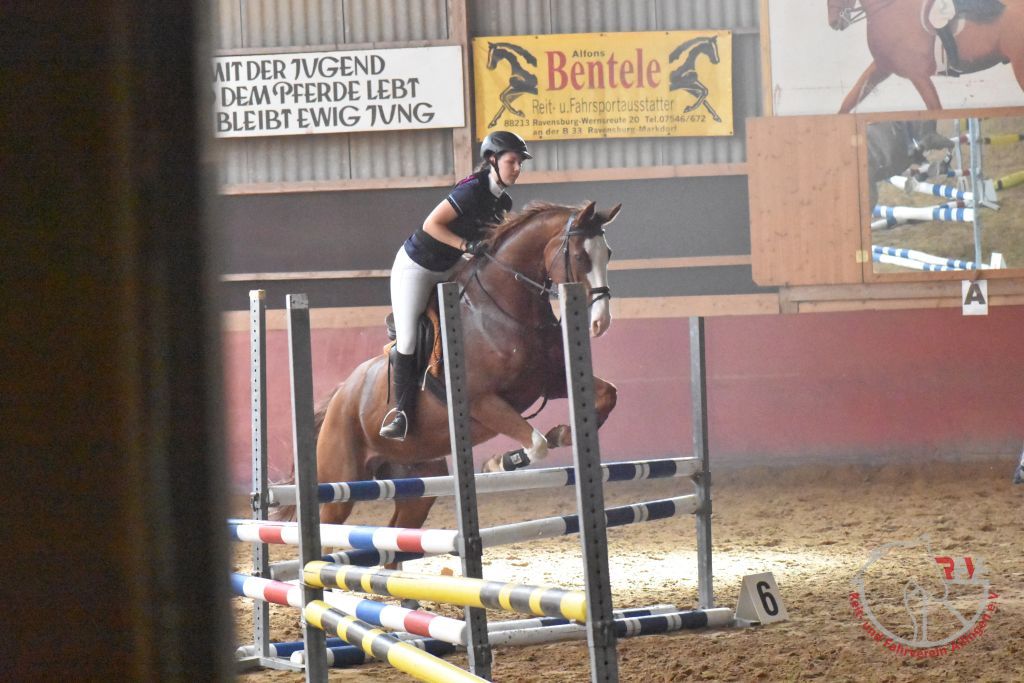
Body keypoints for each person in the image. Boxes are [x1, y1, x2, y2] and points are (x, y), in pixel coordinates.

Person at [379, 130, 532, 440]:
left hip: (451, 265)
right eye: (512, 161)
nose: (517, 168)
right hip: (418, 266)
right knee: (407, 339)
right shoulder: (471, 190)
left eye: (520, 163)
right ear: (493, 160)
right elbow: (431, 225)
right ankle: (401, 414)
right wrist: (466, 245)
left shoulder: (503, 201)